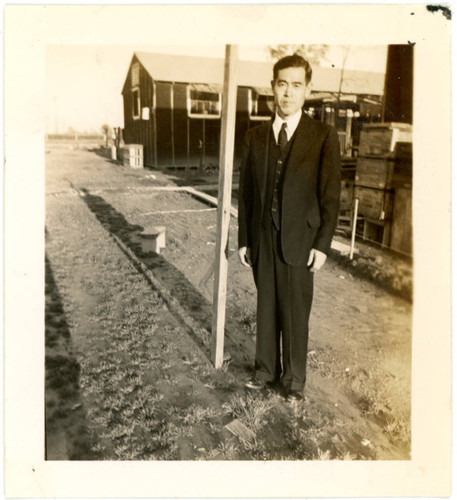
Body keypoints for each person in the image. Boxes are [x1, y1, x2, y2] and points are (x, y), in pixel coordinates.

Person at [238, 54, 341, 401]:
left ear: (307, 90)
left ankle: (294, 381)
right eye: (282, 84)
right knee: (266, 305)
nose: (288, 93)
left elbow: (330, 194)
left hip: (301, 239)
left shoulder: (323, 135)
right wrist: (244, 240)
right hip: (263, 238)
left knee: (295, 310)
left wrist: (323, 244)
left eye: (296, 85)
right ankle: (265, 370)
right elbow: (248, 193)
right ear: (272, 88)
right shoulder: (255, 137)